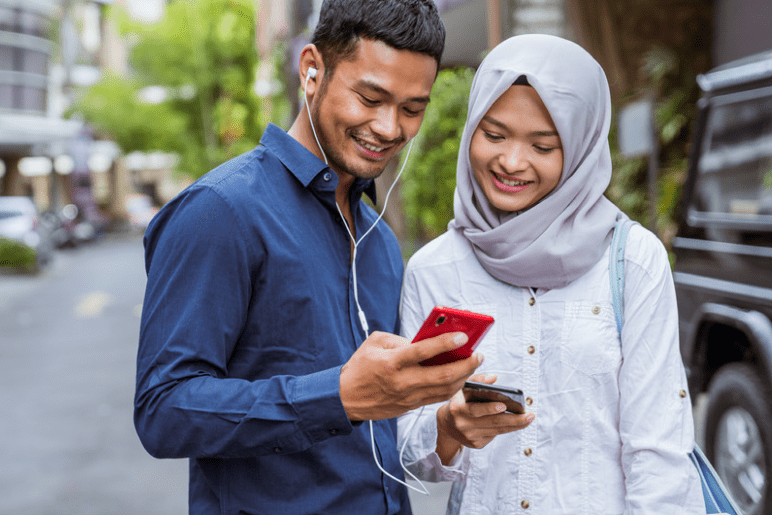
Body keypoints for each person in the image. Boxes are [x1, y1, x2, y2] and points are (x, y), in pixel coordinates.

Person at [133, 1, 484, 513]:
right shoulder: (221, 211)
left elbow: (378, 427)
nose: (389, 128)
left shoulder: (379, 241)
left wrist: (444, 421)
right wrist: (337, 397)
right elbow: (163, 411)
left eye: (412, 108)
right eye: (370, 97)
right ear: (312, 70)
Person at [397, 34, 706, 514]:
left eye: (543, 145)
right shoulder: (434, 270)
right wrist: (447, 429)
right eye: (494, 135)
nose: (511, 162)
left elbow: (658, 453)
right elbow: (410, 458)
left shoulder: (632, 261)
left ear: (581, 149)